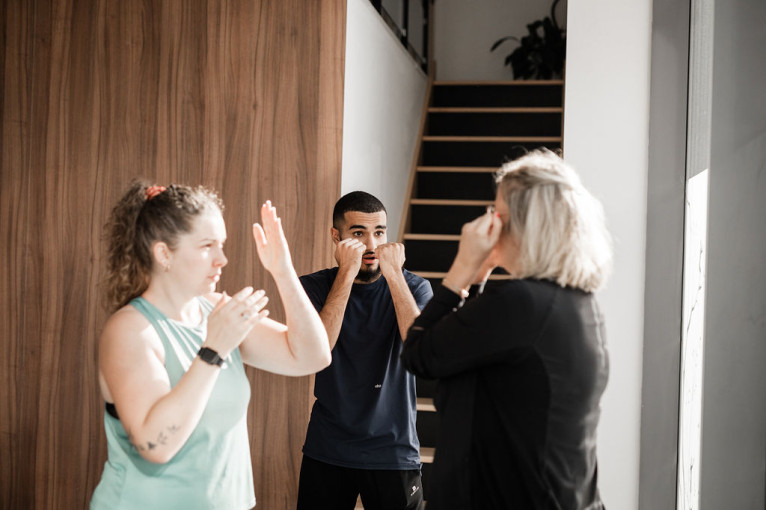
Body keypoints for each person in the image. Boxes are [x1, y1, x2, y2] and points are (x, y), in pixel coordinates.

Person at [90, 182, 331, 510]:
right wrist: (213, 350)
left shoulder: (217, 310)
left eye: (222, 245)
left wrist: (282, 270)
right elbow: (154, 445)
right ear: (164, 254)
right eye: (207, 246)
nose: (222, 259)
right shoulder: (130, 330)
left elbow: (311, 356)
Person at [400, 149, 612, 510]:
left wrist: (459, 274)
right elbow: (471, 351)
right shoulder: (575, 302)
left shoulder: (520, 303)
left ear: (526, 226)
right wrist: (479, 280)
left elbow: (420, 353)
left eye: (497, 213)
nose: (489, 223)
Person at [295, 191, 433, 510]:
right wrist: (346, 271)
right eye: (358, 233)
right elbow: (319, 349)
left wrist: (394, 274)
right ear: (337, 236)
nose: (372, 245)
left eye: (380, 233)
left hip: (394, 450)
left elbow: (420, 347)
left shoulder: (414, 287)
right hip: (328, 447)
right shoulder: (313, 287)